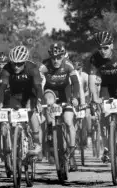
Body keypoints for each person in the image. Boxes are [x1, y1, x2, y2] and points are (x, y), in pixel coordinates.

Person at [88, 31, 117, 163]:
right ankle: (107, 148)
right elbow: (91, 81)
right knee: (103, 116)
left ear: (112, 45)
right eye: (100, 48)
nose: (102, 51)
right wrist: (95, 97)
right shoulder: (94, 58)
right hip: (106, 87)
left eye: (105, 47)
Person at [39, 43, 85, 171]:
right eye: (53, 58)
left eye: (59, 57)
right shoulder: (45, 66)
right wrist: (38, 98)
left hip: (65, 93)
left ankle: (71, 153)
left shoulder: (68, 64)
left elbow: (75, 83)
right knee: (49, 104)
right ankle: (50, 135)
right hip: (51, 92)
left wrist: (75, 98)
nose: (56, 60)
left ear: (63, 56)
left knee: (68, 121)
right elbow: (39, 84)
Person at [0, 45, 44, 156]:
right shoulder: (7, 69)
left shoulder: (32, 68)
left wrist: (39, 101)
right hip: (15, 95)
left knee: (30, 110)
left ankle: (37, 143)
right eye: (14, 63)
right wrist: (0, 101)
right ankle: (14, 140)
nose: (16, 67)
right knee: (11, 114)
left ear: (25, 62)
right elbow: (2, 87)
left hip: (30, 94)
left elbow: (38, 87)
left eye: (19, 64)